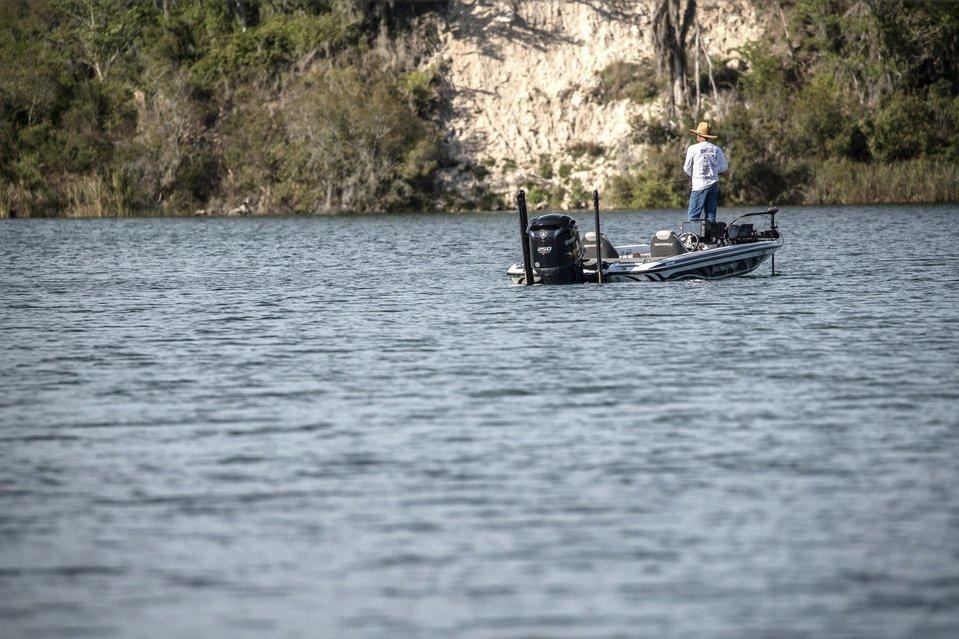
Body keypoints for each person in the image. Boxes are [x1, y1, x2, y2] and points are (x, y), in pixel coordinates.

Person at [683, 121, 728, 222]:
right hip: (713, 185)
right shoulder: (717, 149)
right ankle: (710, 237)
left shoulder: (692, 148)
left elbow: (687, 168)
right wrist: (715, 171)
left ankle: (692, 236)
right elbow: (724, 167)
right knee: (710, 217)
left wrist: (693, 175)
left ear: (699, 136)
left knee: (693, 216)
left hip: (699, 186)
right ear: (708, 136)